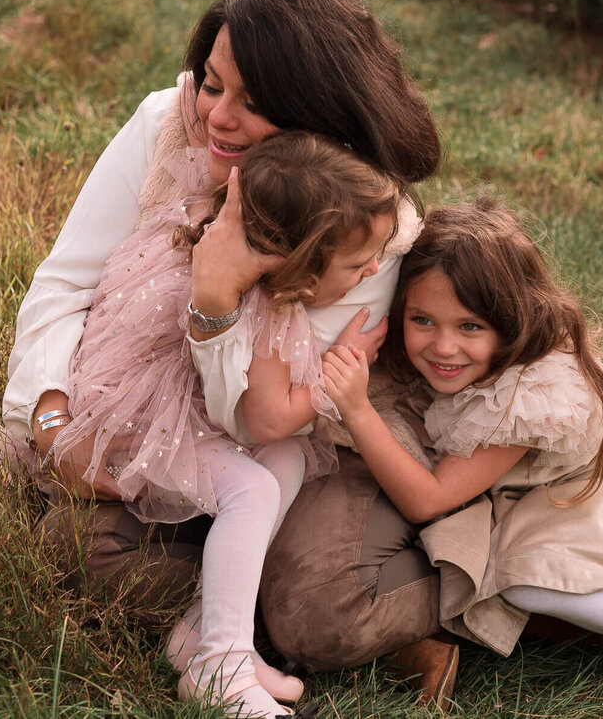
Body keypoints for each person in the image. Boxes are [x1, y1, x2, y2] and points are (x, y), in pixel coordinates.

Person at [0, 0, 450, 708]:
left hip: (300, 439)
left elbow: (263, 419)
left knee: (311, 609)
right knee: (77, 550)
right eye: (213, 83)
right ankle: (220, 630)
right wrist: (52, 420)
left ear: (321, 120)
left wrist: (214, 300)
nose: (217, 118)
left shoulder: (368, 226)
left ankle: (450, 596)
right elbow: (64, 284)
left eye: (255, 102)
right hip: (168, 424)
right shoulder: (164, 125)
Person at [320, 197, 603, 719]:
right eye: (422, 320)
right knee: (482, 561)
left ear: (513, 321)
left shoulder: (527, 397)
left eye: (469, 327)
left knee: (524, 573)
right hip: (535, 494)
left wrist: (358, 411)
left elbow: (428, 500)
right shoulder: (456, 368)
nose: (443, 346)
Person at [35, 130, 400, 718]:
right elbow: (266, 418)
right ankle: (220, 668)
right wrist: (339, 374)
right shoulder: (266, 304)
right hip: (127, 427)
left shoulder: (234, 251)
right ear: (303, 269)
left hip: (161, 412)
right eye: (359, 263)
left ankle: (201, 631)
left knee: (286, 462)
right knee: (252, 483)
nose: (376, 269)